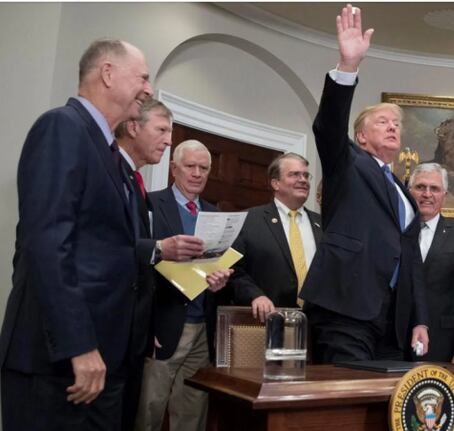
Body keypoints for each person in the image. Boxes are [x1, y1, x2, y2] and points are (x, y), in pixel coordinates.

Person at [0, 39, 153, 430]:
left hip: (103, 363)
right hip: (59, 363)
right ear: (107, 73)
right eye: (143, 78)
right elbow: (49, 243)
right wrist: (79, 344)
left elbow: (108, 249)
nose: (149, 90)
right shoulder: (61, 127)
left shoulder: (113, 156)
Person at [299, 4, 429, 363]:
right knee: (344, 407)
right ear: (360, 136)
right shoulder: (348, 163)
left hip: (392, 319)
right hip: (346, 306)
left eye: (397, 124)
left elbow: (410, 257)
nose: (392, 127)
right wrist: (348, 67)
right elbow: (327, 128)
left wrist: (420, 319)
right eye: (383, 122)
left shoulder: (404, 192)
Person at [135, 140, 233, 431]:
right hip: (161, 326)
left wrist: (222, 280)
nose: (197, 173)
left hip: (203, 328)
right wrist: (146, 324)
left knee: (192, 415)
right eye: (190, 166)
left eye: (204, 168)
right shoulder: (149, 203)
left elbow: (219, 267)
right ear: (173, 168)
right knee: (148, 412)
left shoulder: (217, 214)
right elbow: (137, 264)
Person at [229, 153, 322, 322]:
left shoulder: (323, 224)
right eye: (294, 174)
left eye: (306, 175)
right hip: (266, 322)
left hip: (317, 325)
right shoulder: (249, 220)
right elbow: (233, 271)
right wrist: (255, 295)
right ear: (275, 183)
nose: (303, 180)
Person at [408, 163, 454, 364]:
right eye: (421, 187)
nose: (427, 194)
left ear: (444, 195)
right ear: (409, 191)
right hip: (395, 343)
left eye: (435, 189)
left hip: (444, 344)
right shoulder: (396, 231)